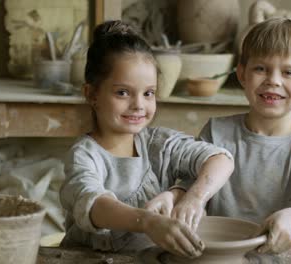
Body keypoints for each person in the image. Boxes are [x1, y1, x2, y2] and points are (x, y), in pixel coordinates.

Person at [59, 20, 234, 258]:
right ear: (92, 94)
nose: (139, 105)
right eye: (122, 92)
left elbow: (221, 159)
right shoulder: (85, 155)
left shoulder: (158, 143)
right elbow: (95, 205)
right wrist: (148, 222)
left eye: (148, 93)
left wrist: (192, 198)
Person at [198, 18, 291, 253]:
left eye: (288, 72)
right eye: (260, 68)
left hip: (284, 256)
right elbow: (191, 189)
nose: (273, 80)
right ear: (242, 74)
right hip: (221, 254)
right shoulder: (215, 132)